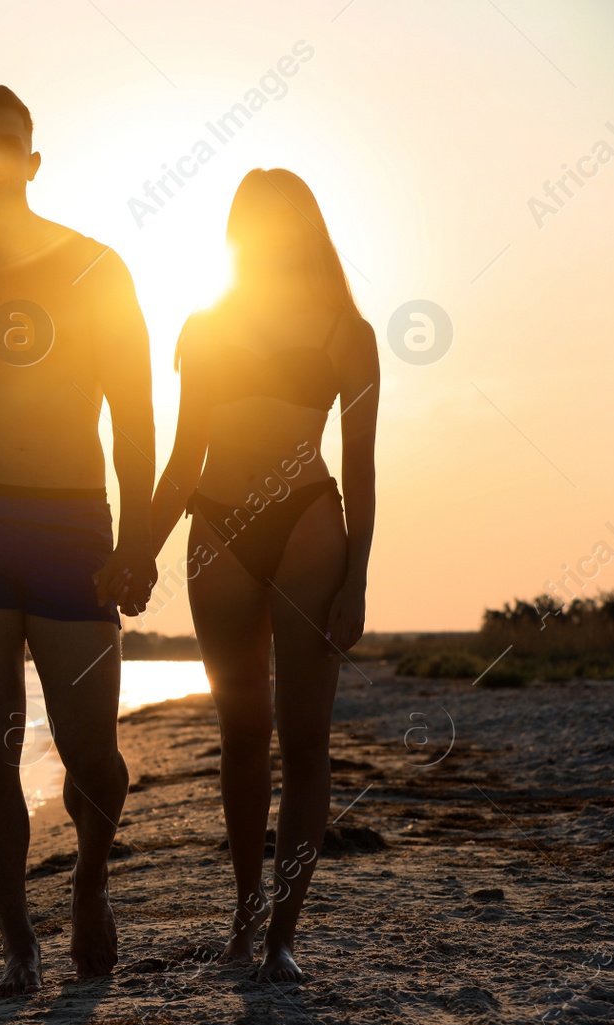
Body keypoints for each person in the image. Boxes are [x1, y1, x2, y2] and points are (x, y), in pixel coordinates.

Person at [0, 85, 158, 995]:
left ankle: (89, 880)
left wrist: (141, 538)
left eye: (13, 145)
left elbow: (136, 418)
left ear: (34, 161)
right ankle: (17, 940)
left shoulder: (97, 268)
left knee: (94, 753)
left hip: (71, 523)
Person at [148, 168, 379, 982]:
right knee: (242, 735)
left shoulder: (347, 331)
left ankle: (284, 931)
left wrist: (356, 579)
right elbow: (182, 463)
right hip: (217, 525)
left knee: (307, 743)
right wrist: (137, 546)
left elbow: (362, 466)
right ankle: (244, 917)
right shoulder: (206, 324)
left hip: (310, 524)